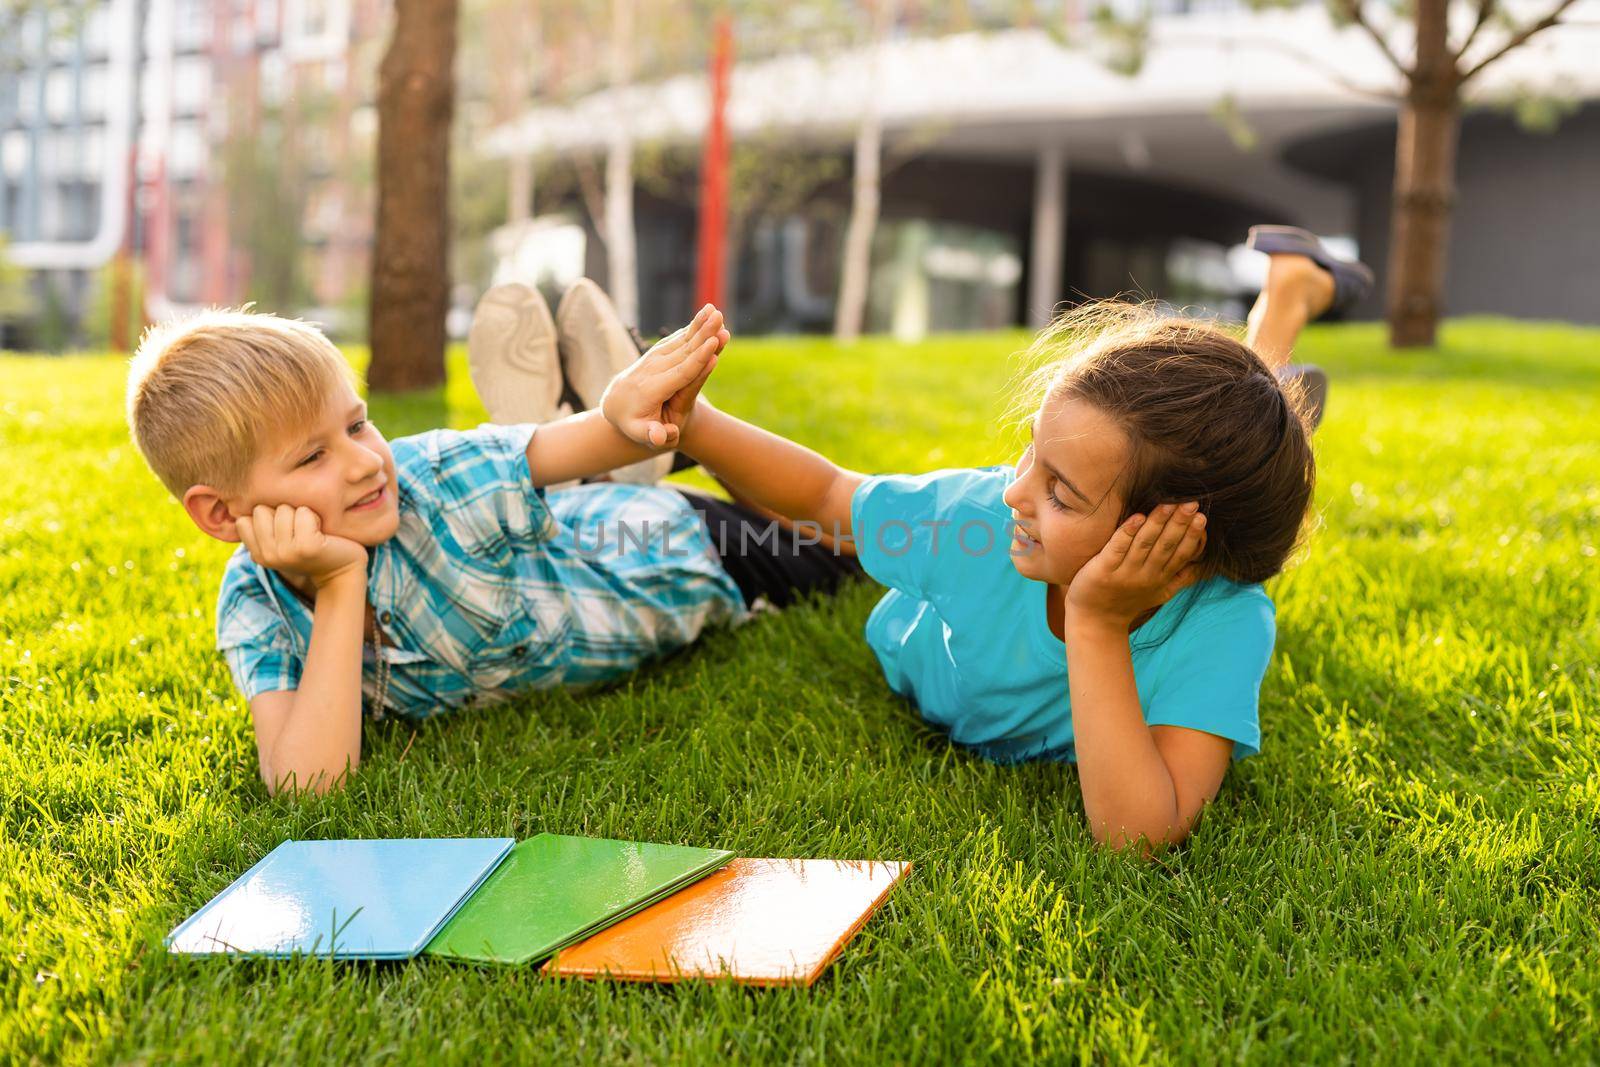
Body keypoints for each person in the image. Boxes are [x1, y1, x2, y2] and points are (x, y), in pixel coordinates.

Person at [652, 227, 1372, 853]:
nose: (1014, 491)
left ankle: (1282, 323)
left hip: (1203, 552)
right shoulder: (978, 522)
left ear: (1173, 554)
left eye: (1060, 491)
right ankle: (1281, 323)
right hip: (936, 607)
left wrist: (1096, 621)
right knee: (1233, 436)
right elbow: (828, 495)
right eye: (1031, 452)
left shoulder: (1226, 613)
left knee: (1240, 468)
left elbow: (1138, 835)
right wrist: (698, 424)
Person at [124, 286, 851, 796]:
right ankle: (620, 463)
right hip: (564, 538)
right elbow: (309, 787)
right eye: (313, 457)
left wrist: (623, 417)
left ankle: (667, 443)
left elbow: (582, 441)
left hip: (678, 548)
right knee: (587, 489)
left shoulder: (426, 476)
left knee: (846, 552)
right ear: (222, 516)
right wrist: (343, 584)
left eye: (357, 424)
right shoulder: (256, 603)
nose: (365, 460)